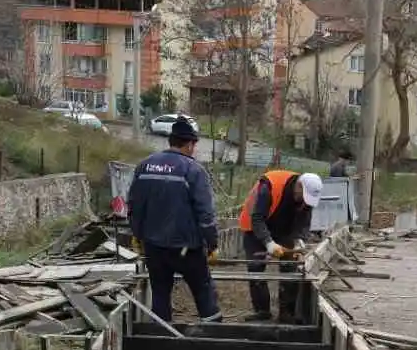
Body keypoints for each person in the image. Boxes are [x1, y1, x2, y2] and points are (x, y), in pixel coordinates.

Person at [128, 116, 221, 322]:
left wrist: (137, 234)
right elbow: (205, 214)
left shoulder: (144, 166)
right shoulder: (193, 170)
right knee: (203, 289)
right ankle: (213, 335)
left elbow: (134, 207)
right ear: (189, 144)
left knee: (160, 292)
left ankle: (162, 339)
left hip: (154, 246)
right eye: (194, 145)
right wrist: (212, 244)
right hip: (186, 247)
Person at [240, 169, 322, 323]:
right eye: (302, 197)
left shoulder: (307, 197)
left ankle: (287, 312)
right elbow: (257, 219)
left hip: (283, 228)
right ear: (299, 186)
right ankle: (262, 310)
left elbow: (303, 223)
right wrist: (269, 243)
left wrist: (300, 241)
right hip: (255, 225)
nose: (304, 202)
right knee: (256, 268)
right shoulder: (269, 187)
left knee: (290, 267)